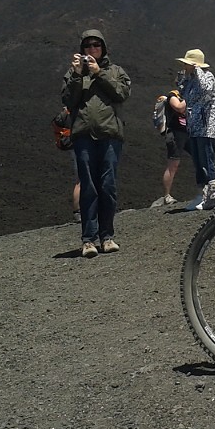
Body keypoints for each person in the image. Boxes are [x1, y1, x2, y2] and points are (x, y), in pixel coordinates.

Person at [62, 29, 132, 258]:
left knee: (108, 186)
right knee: (88, 187)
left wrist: (99, 73)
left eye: (96, 46)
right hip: (83, 136)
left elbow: (121, 93)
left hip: (110, 135)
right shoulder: (74, 73)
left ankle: (107, 237)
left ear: (103, 48)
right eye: (87, 46)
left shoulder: (115, 71)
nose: (92, 50)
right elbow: (68, 100)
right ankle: (88, 240)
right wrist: (76, 74)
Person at [175, 48, 215, 210]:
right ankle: (203, 195)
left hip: (207, 124)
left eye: (188, 65)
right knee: (198, 160)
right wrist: (183, 79)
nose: (185, 67)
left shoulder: (207, 77)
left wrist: (197, 71)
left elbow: (206, 89)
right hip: (194, 124)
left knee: (206, 159)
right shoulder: (191, 80)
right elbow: (183, 94)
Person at [151, 89, 187, 207]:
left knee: (199, 158)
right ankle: (167, 195)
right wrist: (189, 98)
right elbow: (179, 107)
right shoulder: (173, 95)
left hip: (186, 132)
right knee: (173, 164)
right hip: (175, 134)